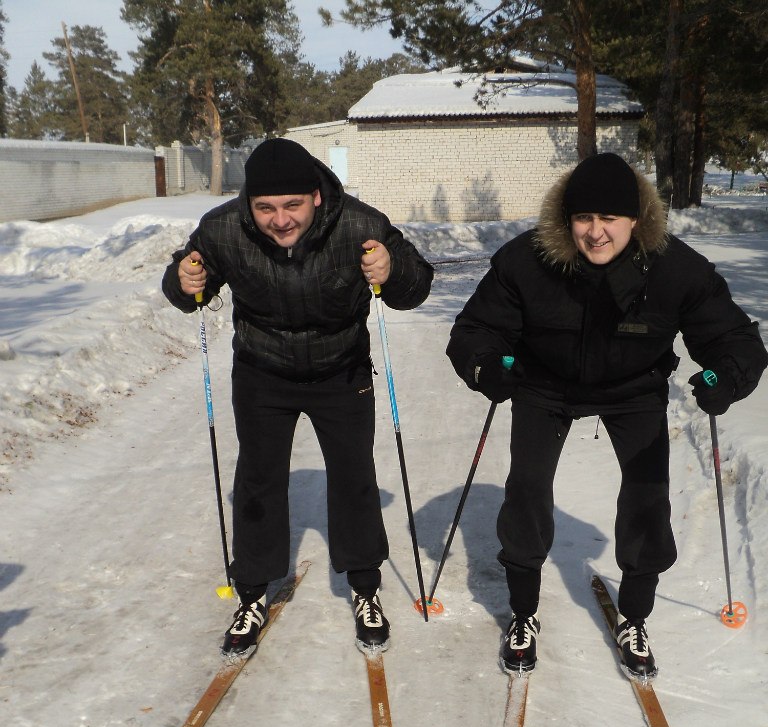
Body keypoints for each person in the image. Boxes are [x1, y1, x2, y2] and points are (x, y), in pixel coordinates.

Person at [447, 152, 766, 678]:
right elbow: (476, 330)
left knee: (646, 494)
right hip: (544, 385)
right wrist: (488, 367)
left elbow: (734, 338)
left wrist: (723, 377)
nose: (596, 233)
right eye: (583, 218)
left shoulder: (674, 268)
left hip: (634, 389)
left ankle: (635, 616)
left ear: (635, 220)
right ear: (566, 219)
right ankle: (523, 611)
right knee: (527, 486)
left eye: (609, 219)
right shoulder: (527, 261)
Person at [162, 138, 433, 655]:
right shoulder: (223, 228)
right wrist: (183, 280)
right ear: (249, 204)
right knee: (259, 478)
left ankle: (365, 586)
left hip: (340, 369)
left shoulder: (360, 225)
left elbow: (416, 286)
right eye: (265, 207)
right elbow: (185, 286)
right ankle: (251, 592)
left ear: (316, 197)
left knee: (354, 474)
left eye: (291, 206)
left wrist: (392, 273)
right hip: (263, 371)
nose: (279, 220)